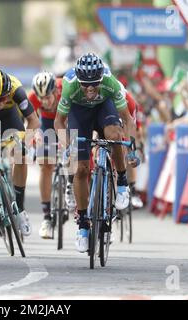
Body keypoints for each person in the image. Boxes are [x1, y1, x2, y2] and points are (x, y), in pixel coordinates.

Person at [54, 53, 138, 253]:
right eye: (85, 85)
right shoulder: (70, 86)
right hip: (79, 113)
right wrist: (67, 146)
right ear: (79, 82)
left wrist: (130, 147)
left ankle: (122, 183)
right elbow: (59, 122)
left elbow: (127, 119)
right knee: (81, 169)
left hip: (104, 107)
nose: (90, 89)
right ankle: (83, 225)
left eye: (94, 85)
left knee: (114, 134)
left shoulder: (111, 83)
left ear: (101, 79)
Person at [0, 68, 40, 237]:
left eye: (3, 98)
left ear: (8, 93)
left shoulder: (15, 89)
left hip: (9, 116)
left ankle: (20, 208)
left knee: (20, 154)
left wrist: (26, 142)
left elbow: (33, 121)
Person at [28, 71, 75, 239]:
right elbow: (31, 123)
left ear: (56, 91)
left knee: (75, 155)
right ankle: (47, 216)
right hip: (47, 124)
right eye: (41, 99)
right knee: (45, 165)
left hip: (68, 119)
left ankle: (71, 187)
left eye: (48, 97)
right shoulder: (33, 97)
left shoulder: (66, 88)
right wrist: (35, 138)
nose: (45, 102)